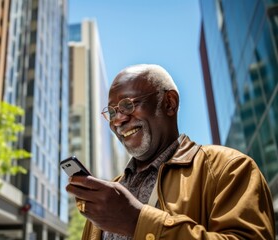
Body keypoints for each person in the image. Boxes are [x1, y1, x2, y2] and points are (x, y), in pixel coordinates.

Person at [66, 64, 275, 239]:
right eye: (111, 112)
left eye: (127, 105)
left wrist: (137, 221)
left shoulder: (229, 169)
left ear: (169, 103)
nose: (117, 120)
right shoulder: (108, 197)